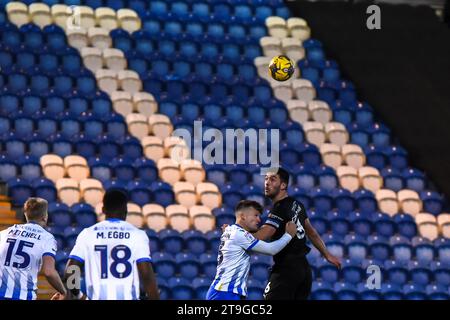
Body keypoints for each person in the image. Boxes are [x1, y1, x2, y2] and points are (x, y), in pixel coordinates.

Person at [255, 167, 341, 300]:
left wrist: (236, 233)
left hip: (286, 270)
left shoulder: (280, 208)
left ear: (283, 185)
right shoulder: (297, 204)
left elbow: (265, 233)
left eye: (272, 179)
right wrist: (327, 254)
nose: (267, 183)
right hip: (304, 270)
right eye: (266, 179)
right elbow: (311, 232)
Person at [63, 189, 159, 300]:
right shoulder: (137, 235)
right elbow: (146, 275)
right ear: (126, 210)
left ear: (103, 210)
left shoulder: (87, 234)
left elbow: (70, 272)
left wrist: (80, 296)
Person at [206, 200, 297, 300]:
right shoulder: (239, 234)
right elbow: (271, 249)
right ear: (243, 216)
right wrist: (288, 235)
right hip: (225, 293)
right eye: (255, 215)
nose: (259, 220)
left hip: (225, 291)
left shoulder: (231, 230)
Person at [0, 197, 66, 300]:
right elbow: (48, 272)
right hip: (24, 296)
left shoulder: (4, 233)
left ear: (25, 214)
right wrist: (63, 292)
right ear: (45, 217)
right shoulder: (47, 238)